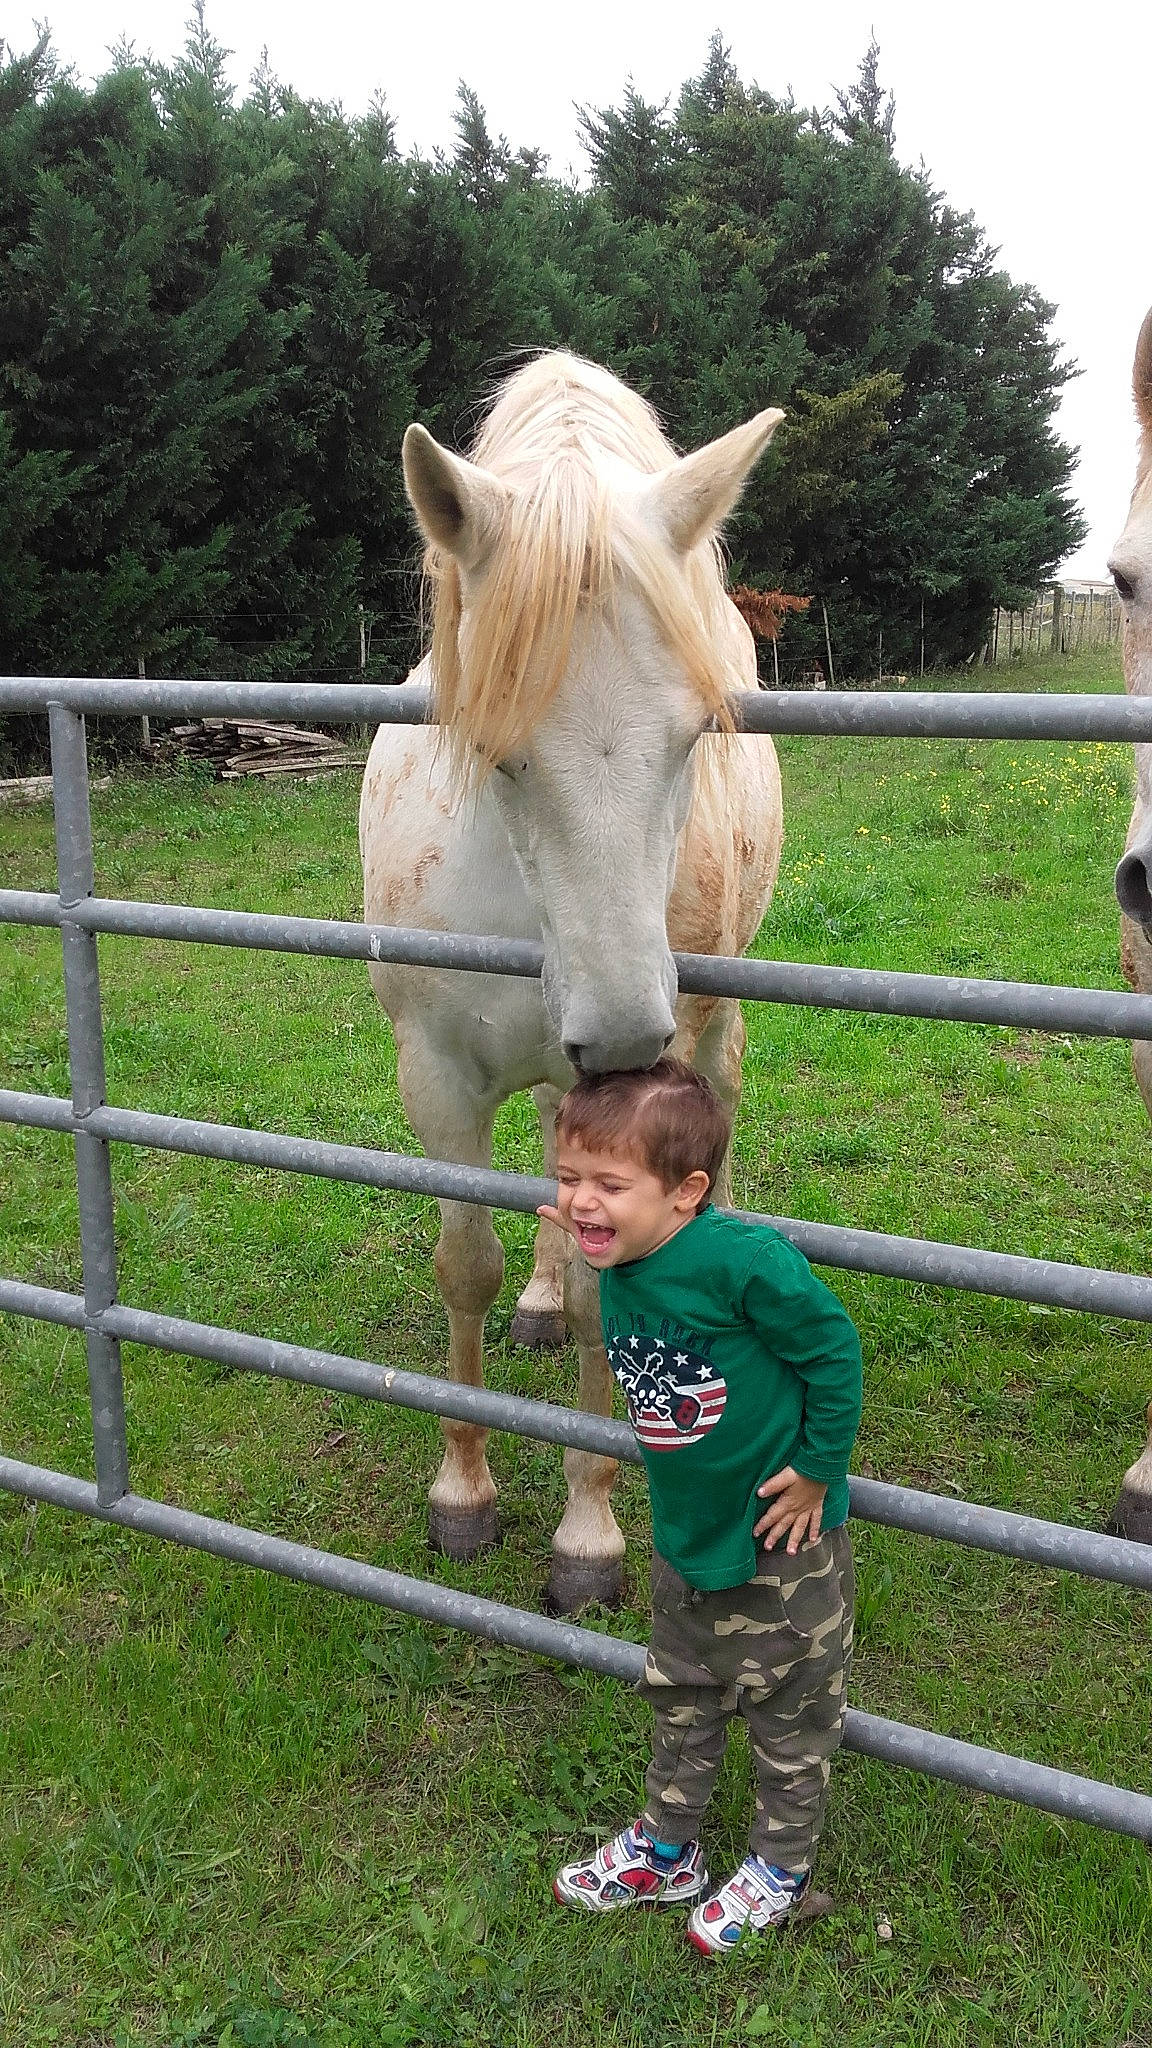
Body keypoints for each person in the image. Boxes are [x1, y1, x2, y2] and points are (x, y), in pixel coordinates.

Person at [539, 1057, 862, 1956]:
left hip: (778, 1538)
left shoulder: (741, 1263)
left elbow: (833, 1351)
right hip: (685, 1535)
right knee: (679, 1693)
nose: (582, 1202)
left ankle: (779, 1866)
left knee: (788, 1715)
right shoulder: (625, 1258)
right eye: (568, 1180)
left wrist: (816, 1471)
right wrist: (593, 1239)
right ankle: (668, 1846)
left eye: (610, 1184)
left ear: (687, 1193)